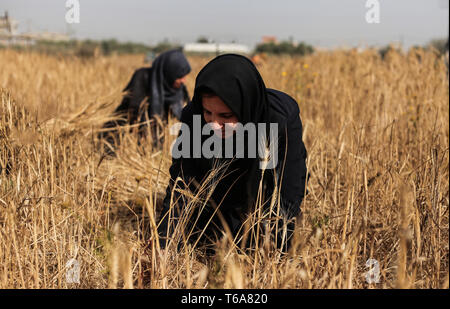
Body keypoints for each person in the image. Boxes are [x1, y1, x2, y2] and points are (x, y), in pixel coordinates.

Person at [157, 54, 307, 253]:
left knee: (262, 244)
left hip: (264, 187)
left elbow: (289, 188)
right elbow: (183, 180)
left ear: (245, 109)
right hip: (219, 185)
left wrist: (276, 246)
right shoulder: (193, 115)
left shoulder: (279, 119)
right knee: (200, 238)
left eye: (226, 116)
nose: (214, 125)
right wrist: (165, 240)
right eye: (208, 113)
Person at [100, 49, 191, 153]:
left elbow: (188, 113)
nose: (184, 80)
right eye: (180, 77)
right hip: (122, 136)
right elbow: (135, 111)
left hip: (155, 141)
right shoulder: (142, 77)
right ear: (168, 73)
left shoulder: (178, 89)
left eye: (185, 76)